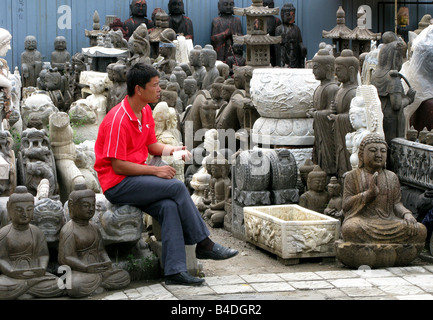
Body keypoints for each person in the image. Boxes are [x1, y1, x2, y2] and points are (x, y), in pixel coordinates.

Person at [94, 63, 238, 286]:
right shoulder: (118, 119)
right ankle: (204, 243)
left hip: (135, 179)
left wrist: (173, 150)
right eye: (154, 85)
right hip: (117, 184)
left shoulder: (144, 112)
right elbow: (119, 166)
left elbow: (151, 145)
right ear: (139, 90)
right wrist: (156, 170)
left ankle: (174, 272)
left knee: (169, 207)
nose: (159, 89)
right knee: (177, 187)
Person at [341, 133, 426, 244]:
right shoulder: (352, 176)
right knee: (350, 229)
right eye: (372, 150)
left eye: (383, 151)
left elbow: (396, 204)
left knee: (420, 230)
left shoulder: (391, 177)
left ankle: (375, 247)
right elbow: (346, 205)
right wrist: (367, 194)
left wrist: (407, 214)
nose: (378, 154)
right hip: (364, 222)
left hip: (389, 221)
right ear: (361, 155)